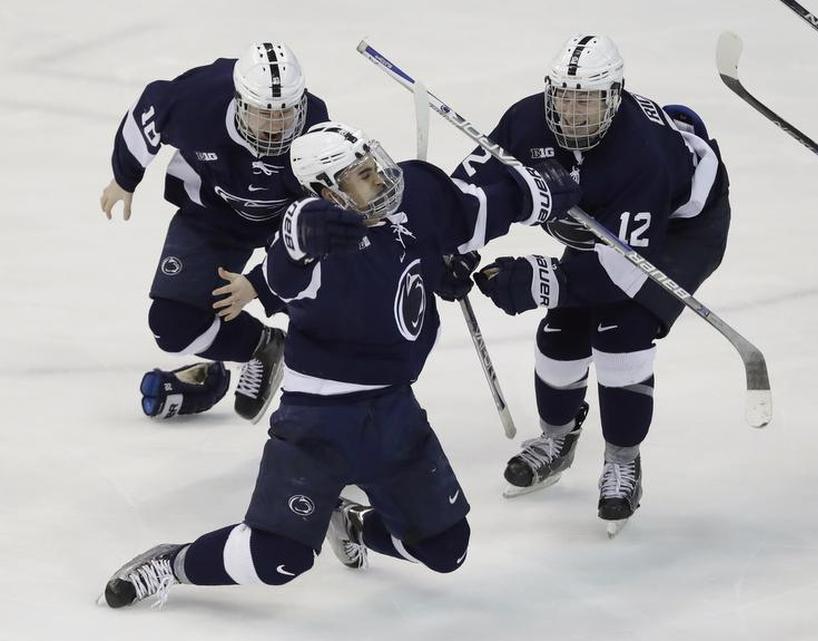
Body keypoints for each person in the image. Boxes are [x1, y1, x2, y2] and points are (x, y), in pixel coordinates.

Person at [100, 121, 580, 608]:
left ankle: (350, 520)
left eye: (374, 166)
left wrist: (536, 196)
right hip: (318, 421)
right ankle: (172, 563)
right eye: (362, 176)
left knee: (446, 550)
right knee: (278, 559)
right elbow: (289, 259)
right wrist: (299, 236)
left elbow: (477, 208)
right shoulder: (315, 240)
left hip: (395, 408)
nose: (381, 180)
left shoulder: (413, 197)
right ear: (328, 192)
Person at [457, 34, 731, 535]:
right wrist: (453, 244)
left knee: (620, 331)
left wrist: (545, 281)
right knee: (560, 333)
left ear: (615, 96)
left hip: (682, 231)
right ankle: (558, 439)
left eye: (587, 98)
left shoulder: (641, 153)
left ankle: (624, 459)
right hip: (606, 224)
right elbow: (468, 190)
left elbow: (623, 273)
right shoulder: (526, 120)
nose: (573, 109)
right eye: (564, 95)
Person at [100, 42, 330, 423]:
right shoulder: (199, 102)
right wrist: (125, 176)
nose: (275, 126)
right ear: (240, 101)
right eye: (263, 113)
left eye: (285, 113)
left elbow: (321, 222)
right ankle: (260, 346)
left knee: (339, 326)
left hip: (286, 227)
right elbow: (150, 106)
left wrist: (259, 284)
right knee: (172, 325)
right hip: (212, 217)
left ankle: (338, 423)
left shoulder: (317, 130)